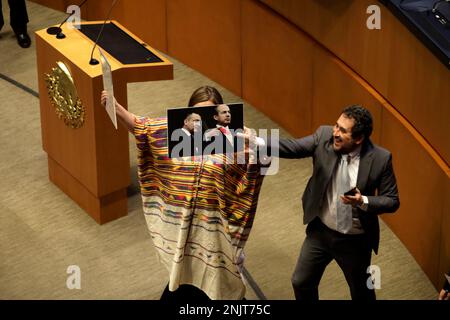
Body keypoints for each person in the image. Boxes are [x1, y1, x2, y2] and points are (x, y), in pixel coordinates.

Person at [100, 85, 265, 300]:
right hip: (184, 228)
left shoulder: (235, 138)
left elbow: (259, 160)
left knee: (222, 290)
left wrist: (255, 148)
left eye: (210, 114)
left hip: (215, 228)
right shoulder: (177, 136)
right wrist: (115, 107)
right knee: (183, 282)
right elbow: (146, 129)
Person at [270, 104, 400, 301]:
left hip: (355, 241)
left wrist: (362, 200)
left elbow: (392, 200)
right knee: (301, 282)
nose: (335, 133)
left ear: (359, 138)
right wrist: (256, 141)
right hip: (320, 232)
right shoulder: (324, 136)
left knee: (362, 293)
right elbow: (293, 147)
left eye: (343, 131)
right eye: (336, 126)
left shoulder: (381, 158)